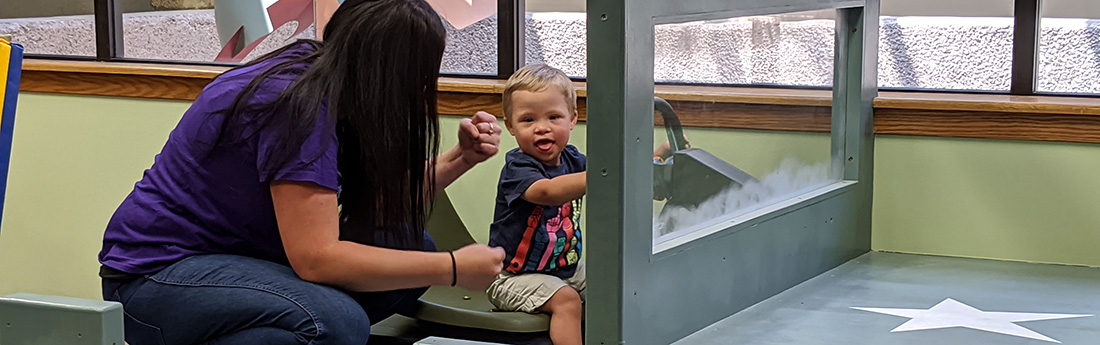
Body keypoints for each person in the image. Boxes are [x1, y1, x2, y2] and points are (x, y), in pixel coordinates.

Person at [97, 1, 505, 344]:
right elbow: (316, 259)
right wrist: (453, 269)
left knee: (413, 248)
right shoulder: (296, 104)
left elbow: (376, 207)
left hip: (244, 261)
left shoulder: (331, 80)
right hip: (156, 278)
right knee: (334, 321)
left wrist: (459, 158)